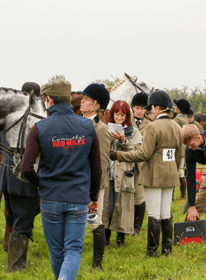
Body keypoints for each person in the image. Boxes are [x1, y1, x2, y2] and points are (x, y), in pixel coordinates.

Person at [21, 80, 102, 280]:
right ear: (68, 99)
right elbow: (97, 168)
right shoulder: (87, 126)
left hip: (51, 199)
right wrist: (93, 196)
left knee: (57, 251)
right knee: (73, 250)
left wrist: (43, 183)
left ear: (49, 100)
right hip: (78, 198)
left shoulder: (40, 128)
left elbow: (26, 169)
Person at [110, 90, 183, 257]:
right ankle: (167, 249)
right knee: (166, 213)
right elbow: (179, 156)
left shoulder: (153, 126)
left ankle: (151, 251)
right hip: (171, 174)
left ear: (157, 108)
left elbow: (143, 154)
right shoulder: (177, 127)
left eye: (151, 108)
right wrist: (173, 169)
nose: (150, 111)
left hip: (154, 174)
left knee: (153, 214)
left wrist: (118, 155)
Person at [0, 82, 41, 272]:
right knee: (23, 220)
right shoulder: (33, 117)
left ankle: (15, 262)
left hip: (6, 174)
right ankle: (15, 267)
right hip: (24, 177)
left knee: (13, 215)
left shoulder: (9, 115)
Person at [79, 83, 111, 269]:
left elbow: (103, 163)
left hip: (93, 185)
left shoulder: (102, 130)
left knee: (94, 222)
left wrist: (95, 192)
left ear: (97, 105)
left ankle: (97, 264)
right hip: (76, 182)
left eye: (87, 99)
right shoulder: (77, 122)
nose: (82, 102)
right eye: (82, 98)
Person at [103, 100, 142, 247]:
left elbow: (138, 152)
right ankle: (105, 236)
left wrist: (123, 141)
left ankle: (121, 238)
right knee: (108, 205)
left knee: (123, 206)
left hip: (124, 174)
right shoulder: (105, 128)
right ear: (112, 114)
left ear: (126, 116)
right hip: (109, 173)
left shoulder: (133, 131)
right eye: (116, 114)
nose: (119, 118)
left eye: (122, 115)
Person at [130, 92, 151, 235]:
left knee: (139, 196)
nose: (139, 111)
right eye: (137, 108)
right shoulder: (125, 121)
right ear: (132, 108)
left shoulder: (149, 125)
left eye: (142, 108)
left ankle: (137, 226)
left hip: (141, 164)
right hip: (126, 162)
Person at [173, 98, 191, 199]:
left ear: (179, 109)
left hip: (178, 149)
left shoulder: (177, 120)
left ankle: (176, 195)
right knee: (180, 171)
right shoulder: (185, 118)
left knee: (176, 171)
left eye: (177, 107)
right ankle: (183, 194)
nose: (175, 108)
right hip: (184, 149)